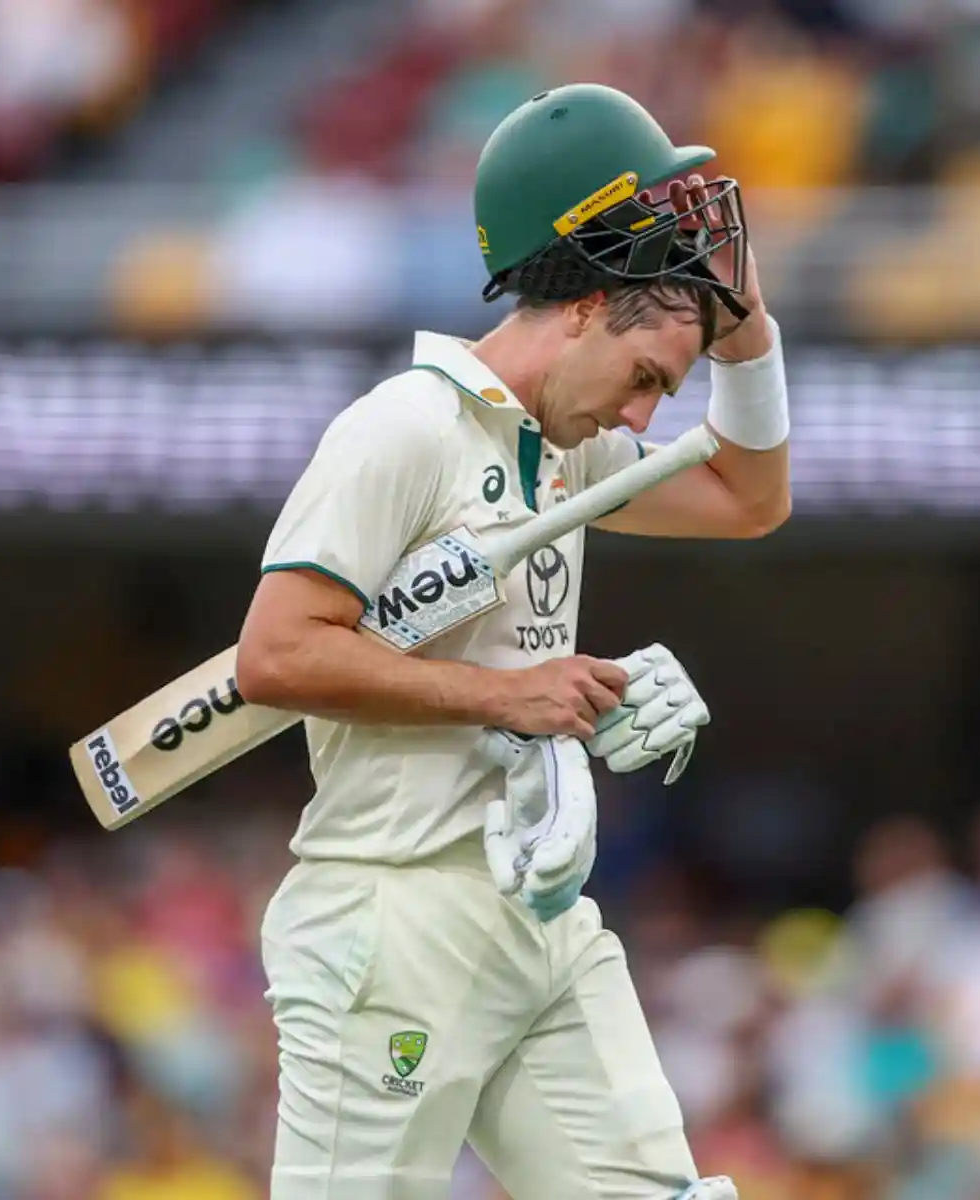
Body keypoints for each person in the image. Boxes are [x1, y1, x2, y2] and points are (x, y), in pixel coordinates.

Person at [233, 82, 792, 1200]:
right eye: (647, 382)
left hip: (535, 910)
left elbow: (748, 497)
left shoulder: (563, 450)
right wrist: (508, 696)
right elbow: (276, 657)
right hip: (388, 915)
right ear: (584, 303)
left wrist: (751, 338)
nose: (645, 421)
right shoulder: (408, 428)